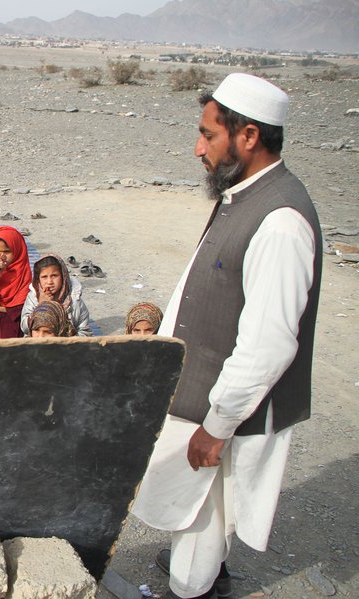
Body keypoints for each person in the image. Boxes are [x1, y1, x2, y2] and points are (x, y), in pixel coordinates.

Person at [131, 73, 322, 599]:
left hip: (229, 406)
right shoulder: (245, 194)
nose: (198, 148)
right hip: (207, 389)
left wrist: (217, 425)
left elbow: (270, 344)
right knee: (196, 503)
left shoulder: (281, 220)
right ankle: (199, 572)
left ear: (249, 136)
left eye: (208, 135)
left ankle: (193, 589)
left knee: (205, 512)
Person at [20, 254, 92, 337]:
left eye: (54, 276)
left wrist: (66, 340)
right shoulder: (33, 298)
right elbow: (24, 327)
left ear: (63, 276)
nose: (49, 281)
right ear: (38, 279)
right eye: (44, 277)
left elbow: (85, 333)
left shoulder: (74, 301)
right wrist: (42, 305)